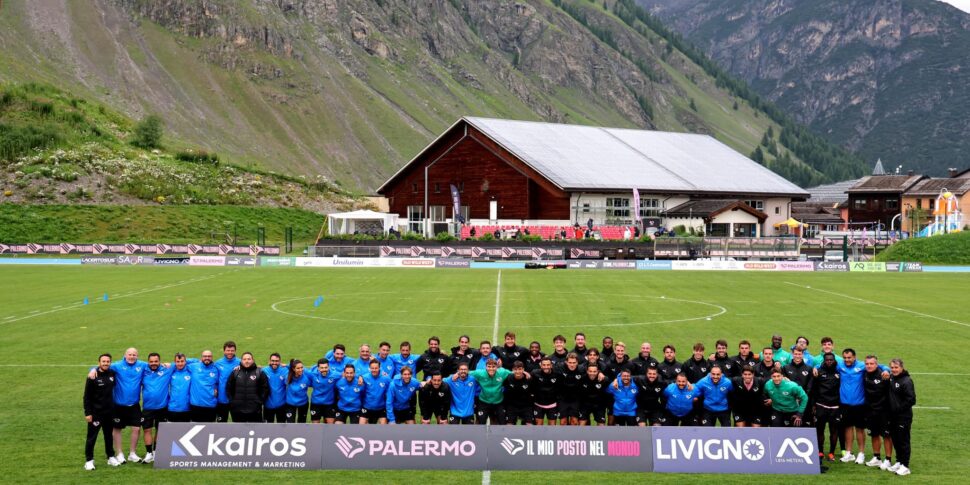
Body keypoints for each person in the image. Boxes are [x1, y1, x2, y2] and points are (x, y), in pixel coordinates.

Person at [833, 348, 888, 464]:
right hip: (844, 403)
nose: (847, 360)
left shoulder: (862, 365)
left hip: (859, 404)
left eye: (849, 357)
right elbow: (825, 366)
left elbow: (881, 366)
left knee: (859, 429)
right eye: (845, 357)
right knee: (847, 428)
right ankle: (849, 453)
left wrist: (886, 370)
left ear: (854, 357)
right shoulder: (840, 366)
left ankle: (861, 453)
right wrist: (816, 368)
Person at [104, 348, 146, 465]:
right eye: (129, 354)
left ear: (137, 356)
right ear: (125, 355)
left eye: (134, 355)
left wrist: (166, 364)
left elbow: (156, 365)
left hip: (134, 404)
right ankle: (119, 453)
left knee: (136, 428)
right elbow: (103, 367)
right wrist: (93, 370)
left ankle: (132, 453)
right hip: (118, 404)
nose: (132, 357)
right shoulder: (117, 365)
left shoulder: (142, 365)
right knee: (117, 428)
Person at [84, 353, 117, 470]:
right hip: (96, 414)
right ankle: (89, 460)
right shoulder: (93, 376)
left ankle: (111, 457)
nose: (106, 363)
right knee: (92, 437)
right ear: (99, 363)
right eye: (103, 361)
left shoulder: (112, 373)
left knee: (108, 436)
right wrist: (87, 413)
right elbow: (86, 396)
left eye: (108, 361)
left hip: (109, 413)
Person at [140, 352, 174, 463]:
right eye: (151, 361)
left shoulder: (166, 369)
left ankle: (156, 451)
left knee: (159, 430)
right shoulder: (143, 371)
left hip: (162, 407)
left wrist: (169, 363)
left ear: (159, 361)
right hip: (148, 408)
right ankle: (149, 453)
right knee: (147, 430)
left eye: (156, 361)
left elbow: (183, 362)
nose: (153, 363)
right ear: (148, 362)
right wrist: (93, 369)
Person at [862, 355, 893, 469]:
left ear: (876, 364)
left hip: (884, 411)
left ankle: (888, 459)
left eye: (872, 364)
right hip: (870, 410)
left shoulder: (884, 375)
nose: (869, 366)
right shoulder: (864, 373)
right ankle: (877, 457)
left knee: (886, 435)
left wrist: (886, 370)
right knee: (874, 434)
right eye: (867, 364)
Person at [887, 358, 915, 476]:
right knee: (896, 440)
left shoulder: (906, 381)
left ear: (901, 368)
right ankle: (899, 461)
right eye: (892, 367)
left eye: (896, 367)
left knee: (903, 441)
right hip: (893, 416)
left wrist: (898, 409)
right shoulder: (892, 378)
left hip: (903, 417)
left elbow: (911, 400)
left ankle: (905, 465)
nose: (894, 369)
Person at [812, 352, 842, 461]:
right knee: (820, 430)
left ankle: (831, 453)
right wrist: (814, 404)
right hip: (821, 405)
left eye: (831, 360)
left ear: (834, 360)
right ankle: (820, 452)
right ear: (824, 361)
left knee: (834, 431)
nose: (829, 362)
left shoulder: (839, 372)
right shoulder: (818, 372)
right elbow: (814, 389)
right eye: (827, 360)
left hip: (835, 407)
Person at [227, 351, 268, 423]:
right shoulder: (235, 372)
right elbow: (229, 388)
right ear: (241, 360)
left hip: (254, 410)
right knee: (238, 433)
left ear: (253, 360)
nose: (247, 361)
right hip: (237, 411)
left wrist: (259, 402)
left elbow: (265, 389)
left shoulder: (259, 372)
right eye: (244, 359)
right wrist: (233, 402)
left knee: (256, 432)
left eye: (249, 359)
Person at [469, 359, 511, 424]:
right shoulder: (479, 373)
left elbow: (515, 373)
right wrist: (457, 374)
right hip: (484, 402)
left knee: (502, 422)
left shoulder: (502, 372)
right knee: (480, 422)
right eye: (489, 366)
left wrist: (525, 373)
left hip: (498, 402)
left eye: (493, 367)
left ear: (497, 367)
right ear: (486, 367)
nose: (491, 369)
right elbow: (466, 372)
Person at [188, 350, 220, 423]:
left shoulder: (216, 369)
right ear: (201, 357)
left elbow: (220, 382)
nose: (207, 358)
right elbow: (182, 361)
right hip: (196, 405)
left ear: (212, 358)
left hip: (210, 405)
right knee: (195, 428)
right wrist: (195, 360)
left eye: (209, 356)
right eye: (205, 356)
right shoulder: (194, 366)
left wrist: (216, 389)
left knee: (209, 430)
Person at [214, 341, 240, 423]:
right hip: (222, 399)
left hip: (236, 399)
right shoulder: (218, 363)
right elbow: (214, 379)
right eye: (228, 350)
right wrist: (215, 389)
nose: (230, 352)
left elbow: (254, 369)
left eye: (232, 350)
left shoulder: (241, 362)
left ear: (235, 351)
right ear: (224, 351)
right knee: (221, 425)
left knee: (238, 424)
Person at [306, 359, 339, 424]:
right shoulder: (312, 374)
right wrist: (287, 366)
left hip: (329, 404)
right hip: (316, 404)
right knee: (315, 427)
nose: (324, 369)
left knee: (331, 426)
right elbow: (300, 368)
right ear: (318, 368)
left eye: (326, 367)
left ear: (329, 367)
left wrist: (360, 377)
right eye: (322, 368)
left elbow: (346, 374)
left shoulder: (335, 374)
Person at [532, 357, 561, 425]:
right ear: (541, 365)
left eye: (548, 365)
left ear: (551, 365)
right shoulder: (534, 373)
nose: (546, 367)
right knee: (538, 426)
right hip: (538, 404)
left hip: (552, 405)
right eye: (544, 365)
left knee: (552, 427)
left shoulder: (557, 374)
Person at [361, 360, 391, 424]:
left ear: (379, 368)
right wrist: (360, 377)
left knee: (384, 429)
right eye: (372, 368)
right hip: (367, 407)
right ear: (369, 368)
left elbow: (391, 390)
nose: (374, 370)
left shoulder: (386, 378)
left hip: (381, 408)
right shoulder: (364, 377)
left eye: (376, 368)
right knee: (361, 428)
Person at [558, 354, 585, 425]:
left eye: (574, 363)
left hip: (575, 400)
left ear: (577, 362)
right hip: (563, 399)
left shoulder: (582, 369)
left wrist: (600, 372)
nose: (572, 365)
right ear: (566, 362)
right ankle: (563, 436)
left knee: (574, 421)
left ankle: (573, 436)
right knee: (563, 422)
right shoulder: (560, 368)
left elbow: (593, 368)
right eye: (570, 363)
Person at [262, 353, 288, 423]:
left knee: (282, 427)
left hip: (282, 405)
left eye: (276, 361)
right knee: (268, 429)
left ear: (280, 361)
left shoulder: (285, 370)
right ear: (269, 361)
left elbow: (296, 366)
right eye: (272, 361)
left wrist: (288, 365)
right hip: (268, 405)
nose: (274, 363)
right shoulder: (264, 371)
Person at [166, 353, 193, 423]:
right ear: (174, 362)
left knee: (186, 432)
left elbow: (198, 361)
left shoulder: (190, 372)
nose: (180, 364)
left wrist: (188, 360)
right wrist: (171, 365)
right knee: (172, 432)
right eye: (178, 361)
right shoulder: (171, 372)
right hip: (172, 408)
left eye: (182, 361)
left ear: (185, 362)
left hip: (186, 409)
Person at [284, 359, 310, 423]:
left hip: (303, 404)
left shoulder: (307, 377)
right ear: (293, 369)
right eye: (298, 368)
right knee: (290, 424)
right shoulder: (287, 377)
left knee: (301, 423)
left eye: (302, 367)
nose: (301, 370)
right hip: (290, 404)